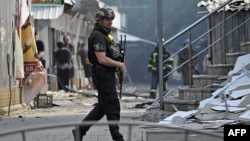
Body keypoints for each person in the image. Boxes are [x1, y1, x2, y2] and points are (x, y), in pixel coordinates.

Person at [72, 7, 126, 141]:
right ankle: (117, 138)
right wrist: (118, 65)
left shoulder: (106, 35)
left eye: (111, 19)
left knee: (103, 107)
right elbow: (101, 59)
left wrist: (114, 73)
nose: (110, 22)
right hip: (102, 75)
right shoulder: (98, 36)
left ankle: (80, 131)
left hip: (106, 74)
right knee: (113, 104)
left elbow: (109, 56)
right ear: (100, 20)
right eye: (107, 19)